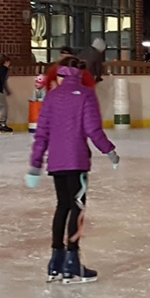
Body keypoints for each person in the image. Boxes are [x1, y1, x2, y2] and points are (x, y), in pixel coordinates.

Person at [27, 57, 118, 284]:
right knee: (77, 208)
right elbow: (93, 129)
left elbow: (42, 134)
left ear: (61, 75)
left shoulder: (52, 96)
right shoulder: (86, 95)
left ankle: (55, 262)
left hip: (57, 162)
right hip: (77, 162)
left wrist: (35, 164)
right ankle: (71, 263)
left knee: (62, 207)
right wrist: (110, 151)